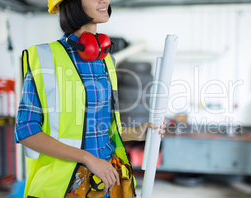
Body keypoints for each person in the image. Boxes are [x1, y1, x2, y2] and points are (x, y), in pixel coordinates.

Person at [14, 0, 166, 197]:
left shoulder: (106, 61)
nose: (104, 0)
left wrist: (134, 133)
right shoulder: (44, 58)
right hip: (65, 187)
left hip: (106, 183)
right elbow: (26, 131)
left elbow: (98, 130)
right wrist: (87, 158)